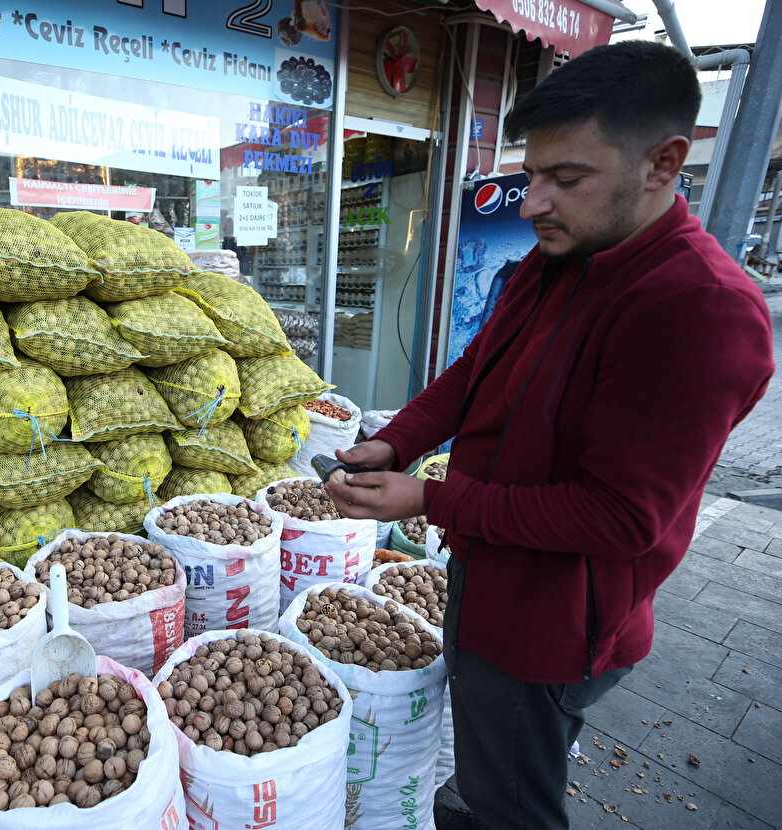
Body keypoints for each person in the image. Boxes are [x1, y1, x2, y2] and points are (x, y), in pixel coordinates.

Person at [325, 40, 774, 829]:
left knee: (514, 802)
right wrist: (397, 441)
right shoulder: (559, 258)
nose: (533, 203)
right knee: (484, 771)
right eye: (531, 175)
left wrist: (430, 499)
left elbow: (621, 517)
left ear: (664, 165)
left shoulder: (699, 311)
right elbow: (475, 374)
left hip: (552, 627)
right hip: (486, 574)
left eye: (566, 179)